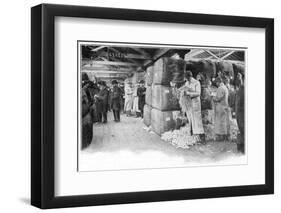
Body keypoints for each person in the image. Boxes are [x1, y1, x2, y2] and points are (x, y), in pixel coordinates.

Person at [178, 71, 204, 141]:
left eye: (187, 78)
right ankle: (192, 136)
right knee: (190, 119)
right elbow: (185, 88)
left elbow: (198, 93)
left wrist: (188, 93)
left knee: (197, 121)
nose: (186, 79)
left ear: (190, 77)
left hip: (195, 103)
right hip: (188, 103)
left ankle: (201, 137)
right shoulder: (187, 83)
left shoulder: (196, 83)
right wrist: (182, 91)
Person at [212, 77, 230, 141]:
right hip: (225, 106)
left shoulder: (220, 88)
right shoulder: (225, 88)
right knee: (224, 121)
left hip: (220, 107)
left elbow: (218, 98)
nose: (216, 84)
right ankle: (225, 136)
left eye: (216, 83)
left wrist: (213, 98)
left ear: (218, 82)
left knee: (220, 122)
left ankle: (221, 137)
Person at [235, 75, 245, 153]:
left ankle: (241, 147)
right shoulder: (241, 89)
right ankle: (241, 147)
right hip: (241, 114)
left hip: (242, 114)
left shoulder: (243, 89)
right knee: (242, 130)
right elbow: (238, 104)